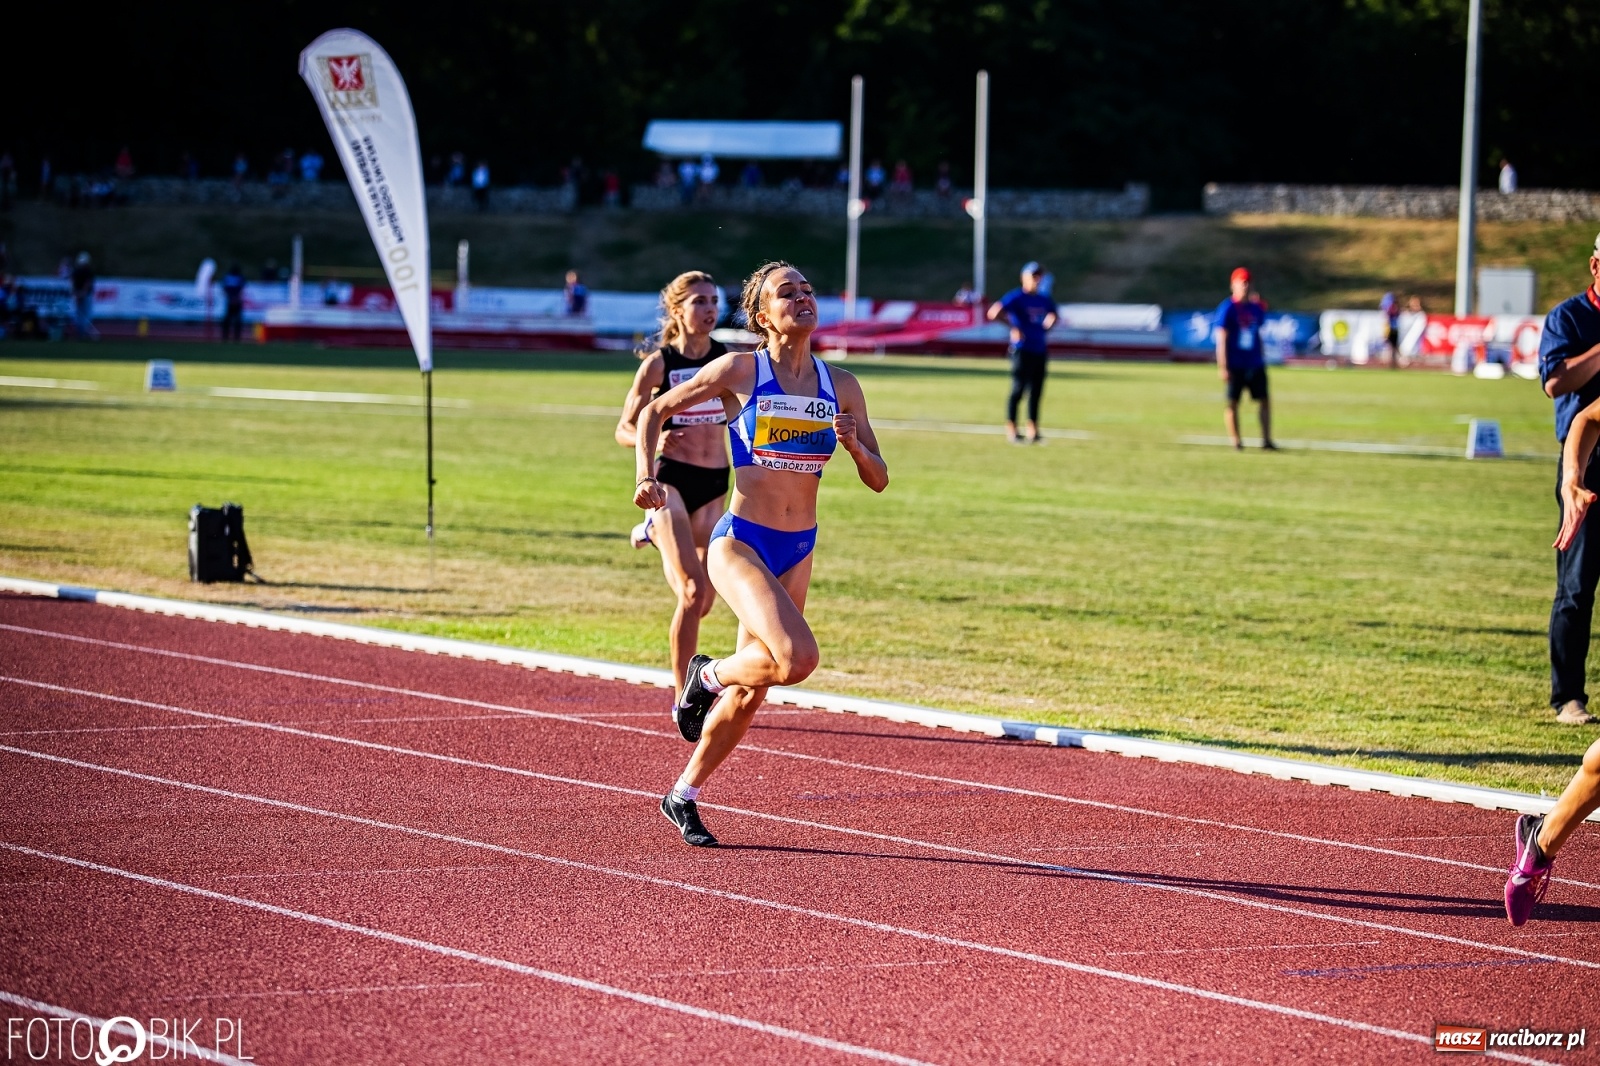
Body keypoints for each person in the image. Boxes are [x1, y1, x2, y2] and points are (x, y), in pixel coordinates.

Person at [633, 261, 889, 846]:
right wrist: (647, 478)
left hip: (799, 547)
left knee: (757, 688)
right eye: (786, 293)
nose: (802, 299)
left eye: (807, 289)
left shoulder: (841, 385)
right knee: (797, 659)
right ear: (761, 315)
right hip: (741, 542)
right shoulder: (739, 370)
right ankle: (706, 676)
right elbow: (652, 412)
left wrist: (852, 443)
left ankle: (683, 794)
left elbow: (878, 479)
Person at [616, 271, 732, 719]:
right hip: (672, 481)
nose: (709, 309)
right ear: (677, 310)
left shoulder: (726, 361)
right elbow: (625, 428)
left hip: (715, 481)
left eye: (714, 301)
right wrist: (655, 439)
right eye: (700, 301)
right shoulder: (659, 364)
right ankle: (685, 696)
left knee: (704, 602)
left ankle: (653, 532)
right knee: (690, 589)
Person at [1538, 233, 1600, 726]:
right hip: (1581, 466)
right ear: (1594, 266)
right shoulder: (1569, 318)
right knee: (1576, 586)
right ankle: (1568, 697)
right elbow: (1556, 384)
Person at [986, 262, 1058, 444]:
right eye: (1033, 276)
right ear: (1024, 278)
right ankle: (1012, 428)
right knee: (1018, 389)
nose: (1036, 280)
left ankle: (1033, 430)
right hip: (1022, 349)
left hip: (1039, 349)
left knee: (1036, 391)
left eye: (1039, 276)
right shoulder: (1016, 297)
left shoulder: (1043, 298)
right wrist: (1013, 327)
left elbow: (1054, 314)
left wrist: (1046, 328)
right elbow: (994, 313)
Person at [1216, 267, 1275, 451]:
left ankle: (1266, 440)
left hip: (1255, 362)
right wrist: (1223, 366)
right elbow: (1222, 338)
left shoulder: (1256, 308)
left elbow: (1259, 333)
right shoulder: (1228, 308)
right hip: (1235, 363)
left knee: (1264, 400)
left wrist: (1262, 356)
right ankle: (1236, 441)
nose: (1246, 286)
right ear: (1233, 285)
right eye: (1242, 282)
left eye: (1248, 282)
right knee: (1232, 401)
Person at [69, 253, 97, 340]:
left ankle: (82, 333)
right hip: (83, 294)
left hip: (81, 294)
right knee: (83, 314)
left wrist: (77, 293)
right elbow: (86, 283)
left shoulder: (78, 271)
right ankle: (82, 333)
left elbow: (76, 283)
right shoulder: (86, 271)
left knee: (81, 314)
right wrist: (80, 293)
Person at [221, 263, 246, 342]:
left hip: (231, 301)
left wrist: (230, 298)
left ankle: (226, 337)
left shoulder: (227, 277)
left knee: (228, 320)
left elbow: (224, 289)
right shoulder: (240, 277)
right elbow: (242, 289)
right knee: (236, 320)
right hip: (236, 301)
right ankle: (236, 338)